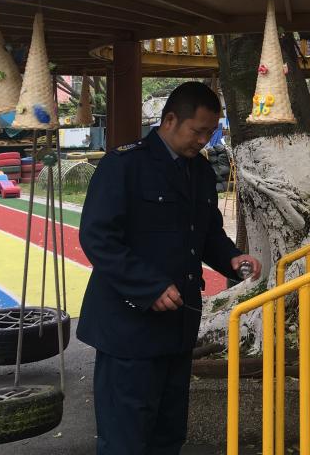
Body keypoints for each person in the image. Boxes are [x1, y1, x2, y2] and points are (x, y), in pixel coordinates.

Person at [78, 81, 261, 454]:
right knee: (125, 441)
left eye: (210, 133)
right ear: (171, 120)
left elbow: (206, 232)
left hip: (178, 327)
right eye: (198, 131)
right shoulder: (125, 166)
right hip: (129, 328)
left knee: (169, 435)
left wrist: (231, 257)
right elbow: (98, 238)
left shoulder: (200, 171)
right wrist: (149, 287)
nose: (204, 141)